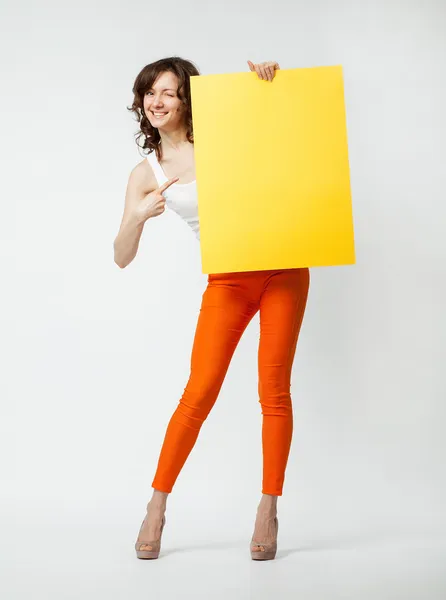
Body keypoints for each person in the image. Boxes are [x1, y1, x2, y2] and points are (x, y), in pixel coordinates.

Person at [113, 56, 310, 561]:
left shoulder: (222, 136)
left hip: (284, 267)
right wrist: (137, 216)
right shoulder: (146, 172)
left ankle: (268, 508)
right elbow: (121, 256)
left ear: (187, 100)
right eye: (150, 93)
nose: (157, 102)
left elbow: (284, 133)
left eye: (170, 93)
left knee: (274, 391)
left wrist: (265, 86)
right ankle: (156, 507)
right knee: (198, 392)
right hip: (228, 279)